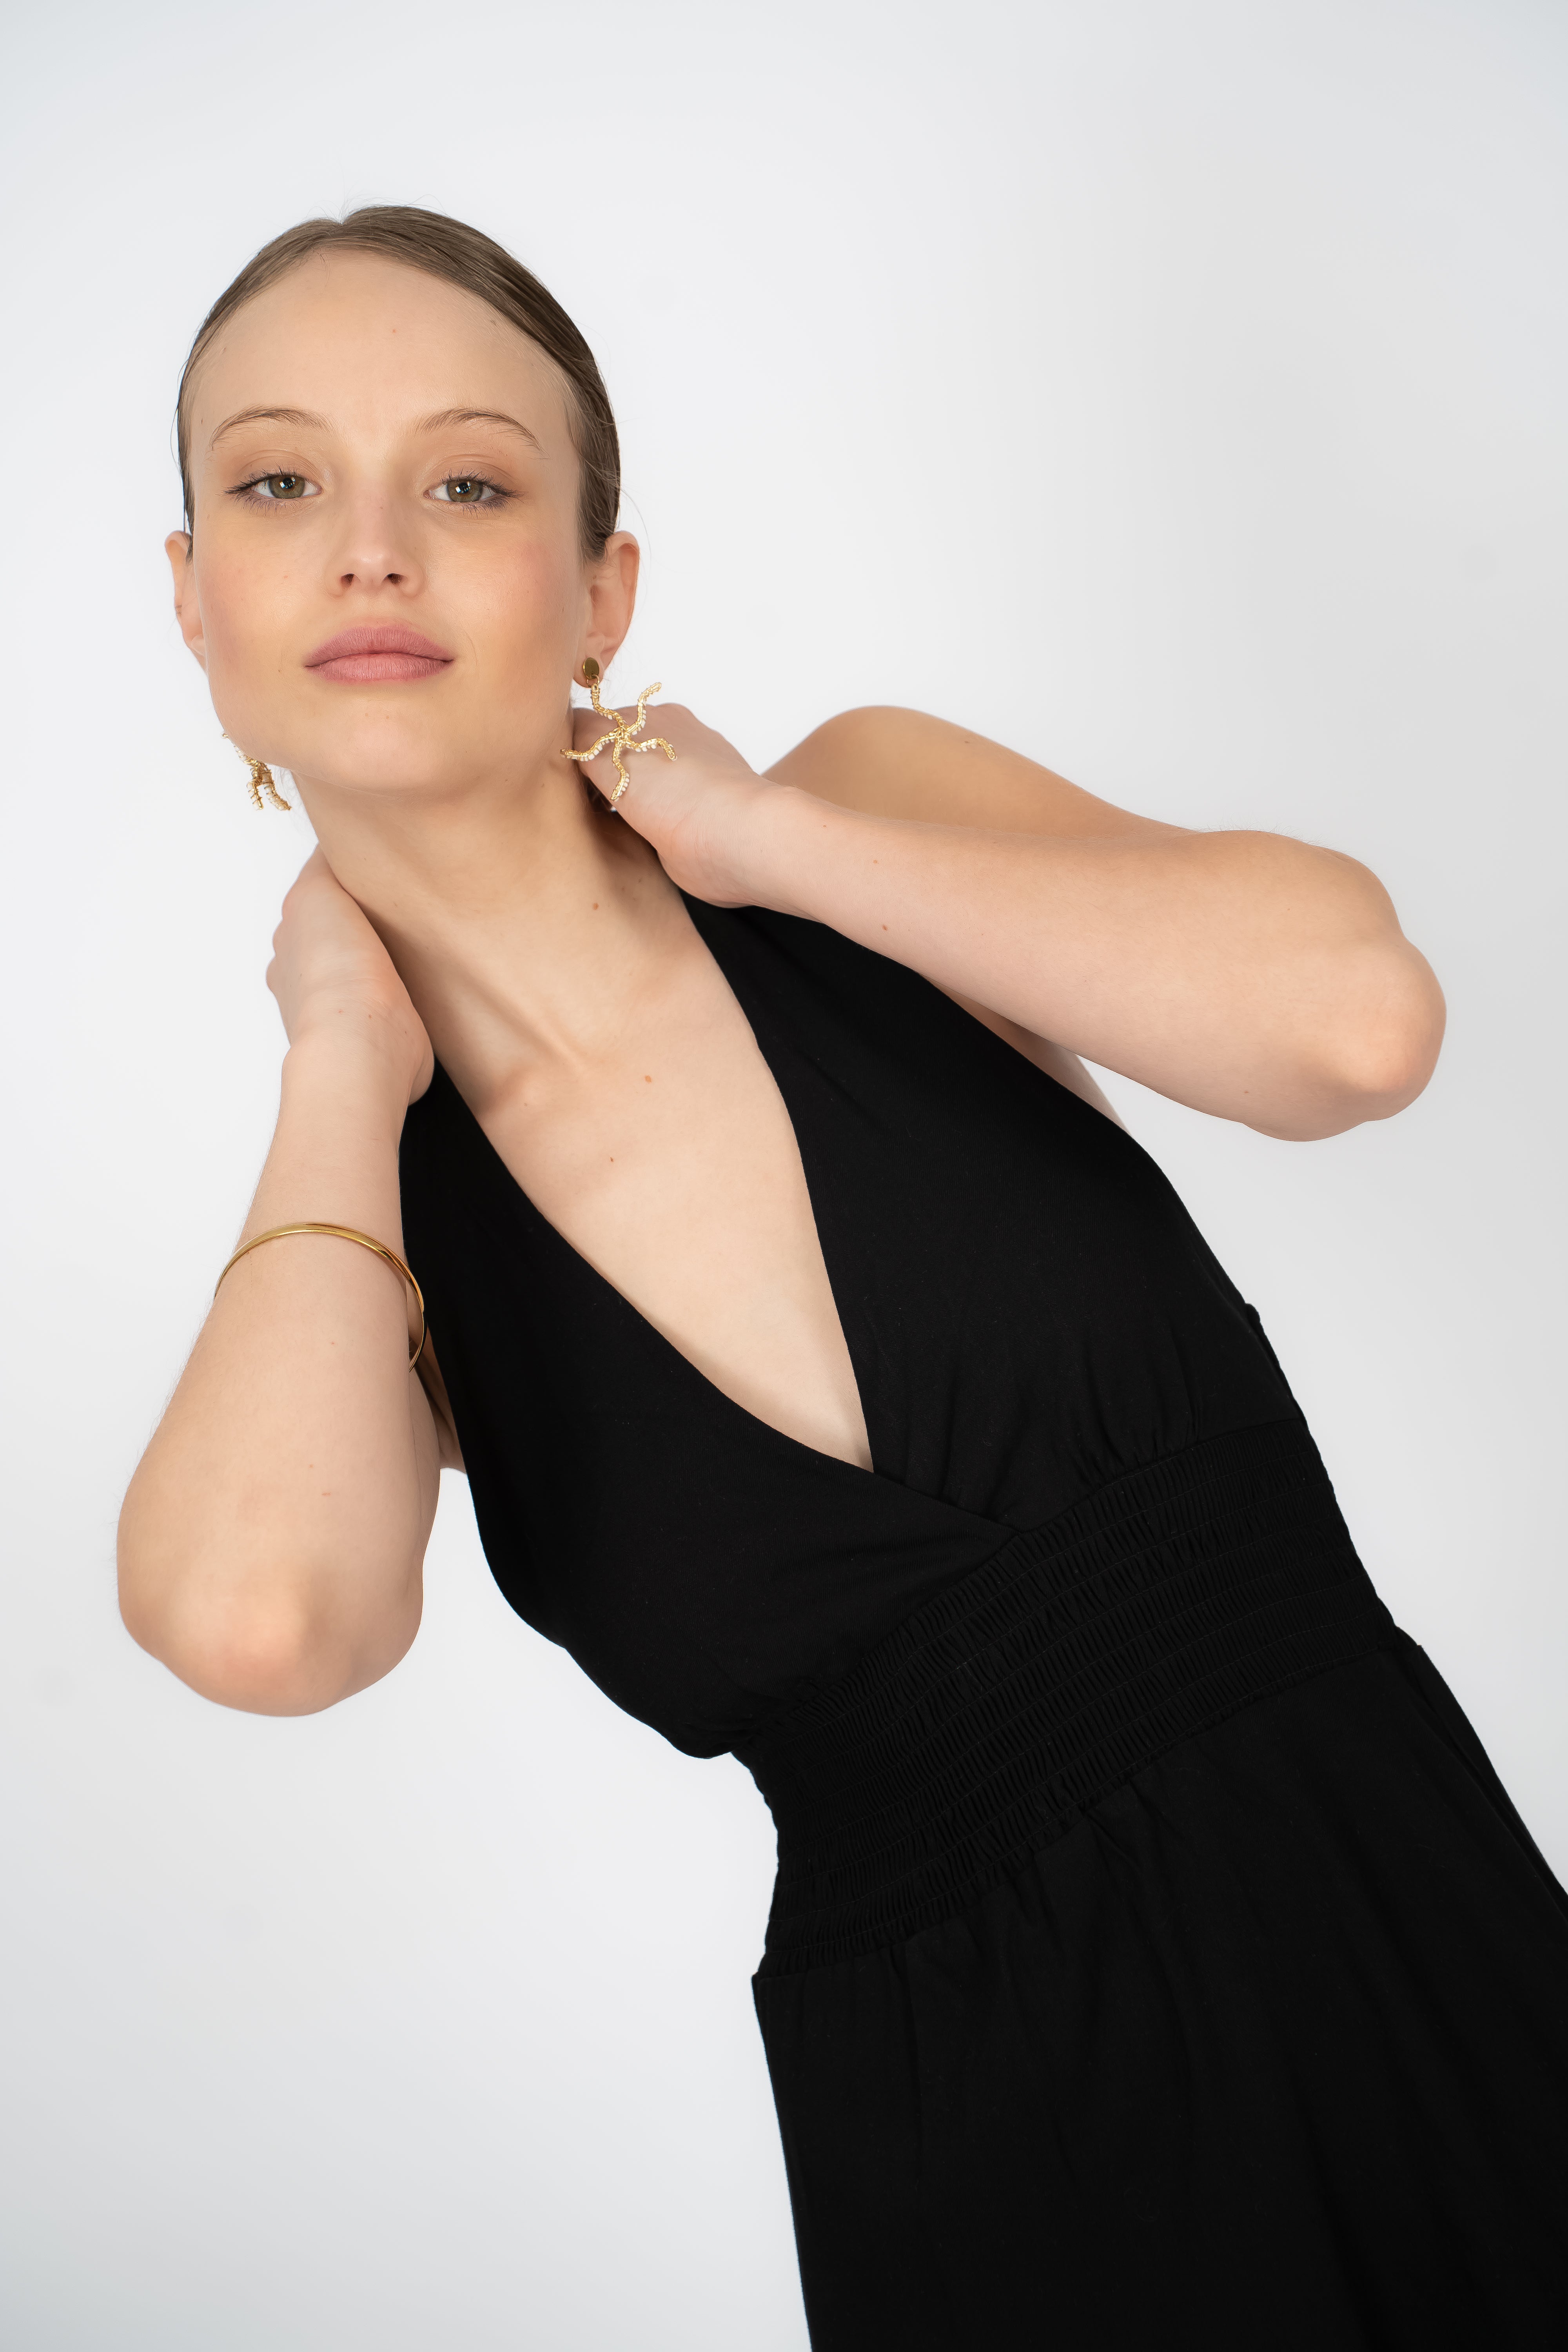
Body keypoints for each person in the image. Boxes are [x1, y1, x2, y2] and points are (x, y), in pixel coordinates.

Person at [118, 206, 1568, 2349]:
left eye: (470, 483)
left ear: (604, 588)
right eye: (276, 484)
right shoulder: (359, 1234)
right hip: (988, 2162)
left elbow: (1357, 1026)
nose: (371, 553)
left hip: (1410, 1948)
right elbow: (263, 1626)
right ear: (195, 601)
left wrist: (769, 845)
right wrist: (341, 1053)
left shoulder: (864, 819)